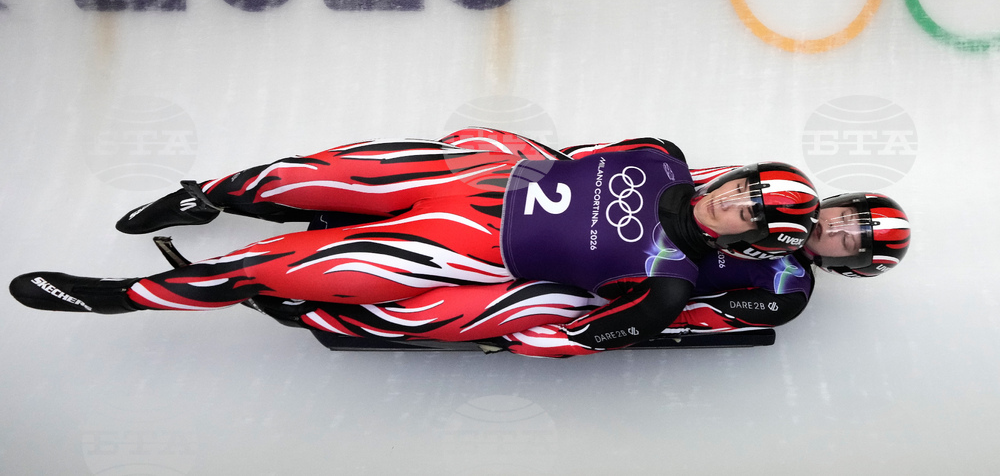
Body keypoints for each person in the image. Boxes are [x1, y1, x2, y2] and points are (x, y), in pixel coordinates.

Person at [9, 129, 819, 356]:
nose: (728, 201)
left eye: (747, 211)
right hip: (465, 183)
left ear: (751, 240)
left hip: (466, 254)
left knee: (283, 269)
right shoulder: (662, 156)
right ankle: (208, 196)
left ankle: (123, 296)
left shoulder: (668, 280)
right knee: (309, 175)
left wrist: (526, 323)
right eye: (741, 185)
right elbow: (570, 156)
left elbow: (587, 330)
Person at [246, 191, 910, 357]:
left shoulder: (786, 293)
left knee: (515, 306)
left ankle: (344, 307)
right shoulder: (774, 191)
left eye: (848, 240)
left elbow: (692, 318)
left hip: (619, 286)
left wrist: (622, 316)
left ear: (848, 264)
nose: (836, 229)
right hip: (597, 231)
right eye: (845, 216)